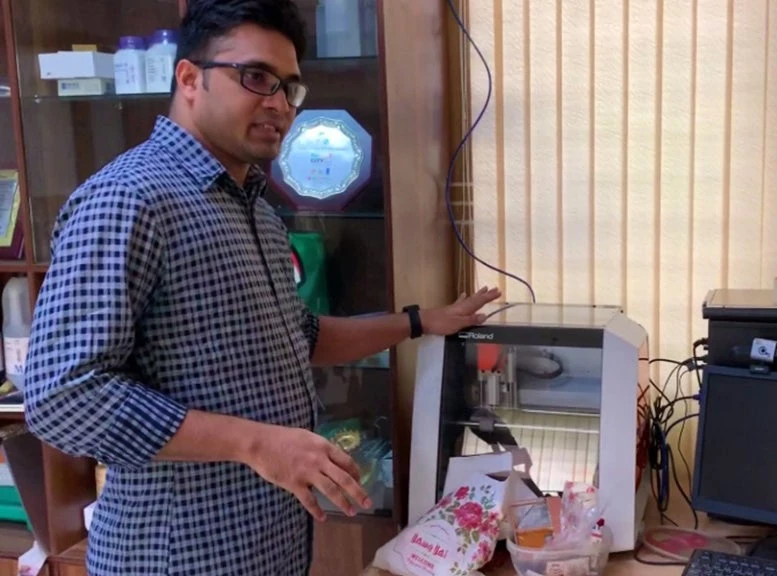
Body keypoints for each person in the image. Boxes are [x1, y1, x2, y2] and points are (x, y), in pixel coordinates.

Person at [22, 0, 501, 574]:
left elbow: (299, 336)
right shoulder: (129, 198)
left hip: (267, 548)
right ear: (189, 77)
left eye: (289, 87)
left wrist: (423, 322)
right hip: (176, 558)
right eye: (255, 78)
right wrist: (258, 443)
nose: (278, 103)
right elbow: (60, 397)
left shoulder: (256, 211)